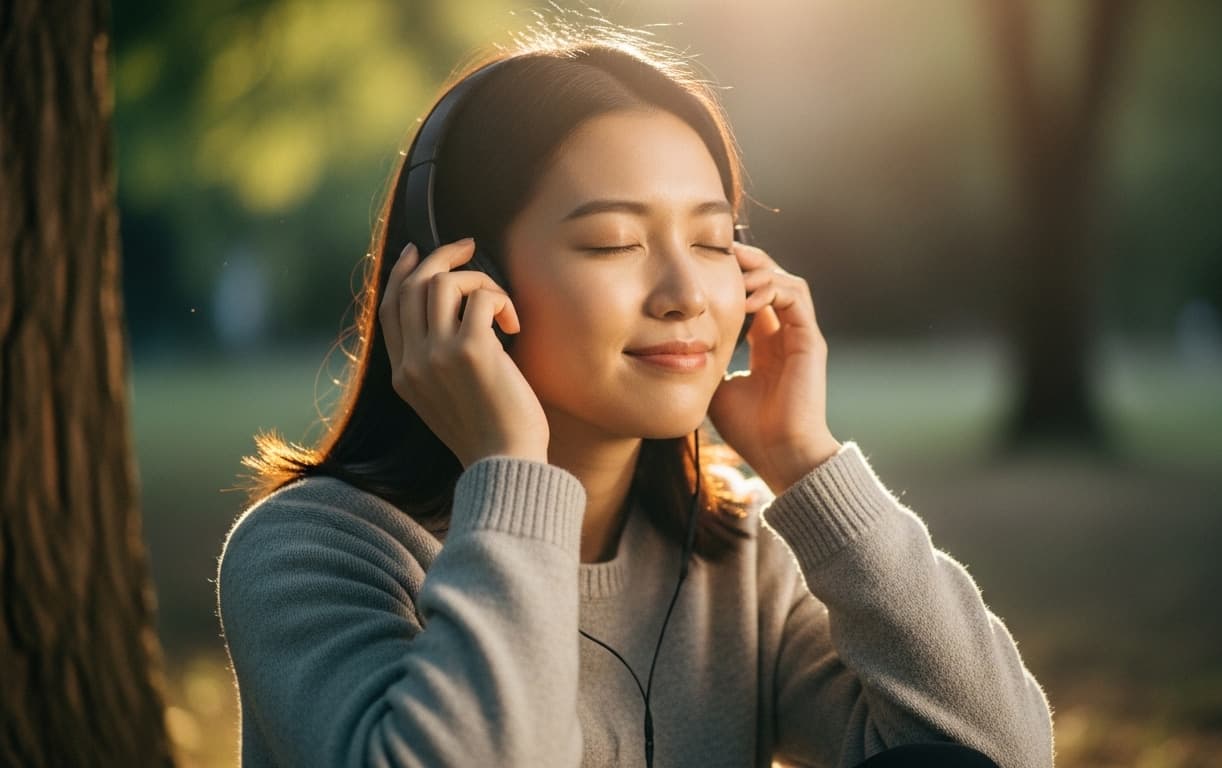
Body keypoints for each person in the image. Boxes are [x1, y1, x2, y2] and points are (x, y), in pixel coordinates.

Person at [216, 31, 1054, 768]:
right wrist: (510, 470)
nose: (686, 293)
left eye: (713, 240)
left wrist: (805, 461)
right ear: (465, 279)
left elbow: (995, 753)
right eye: (614, 242)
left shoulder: (739, 560)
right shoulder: (309, 552)